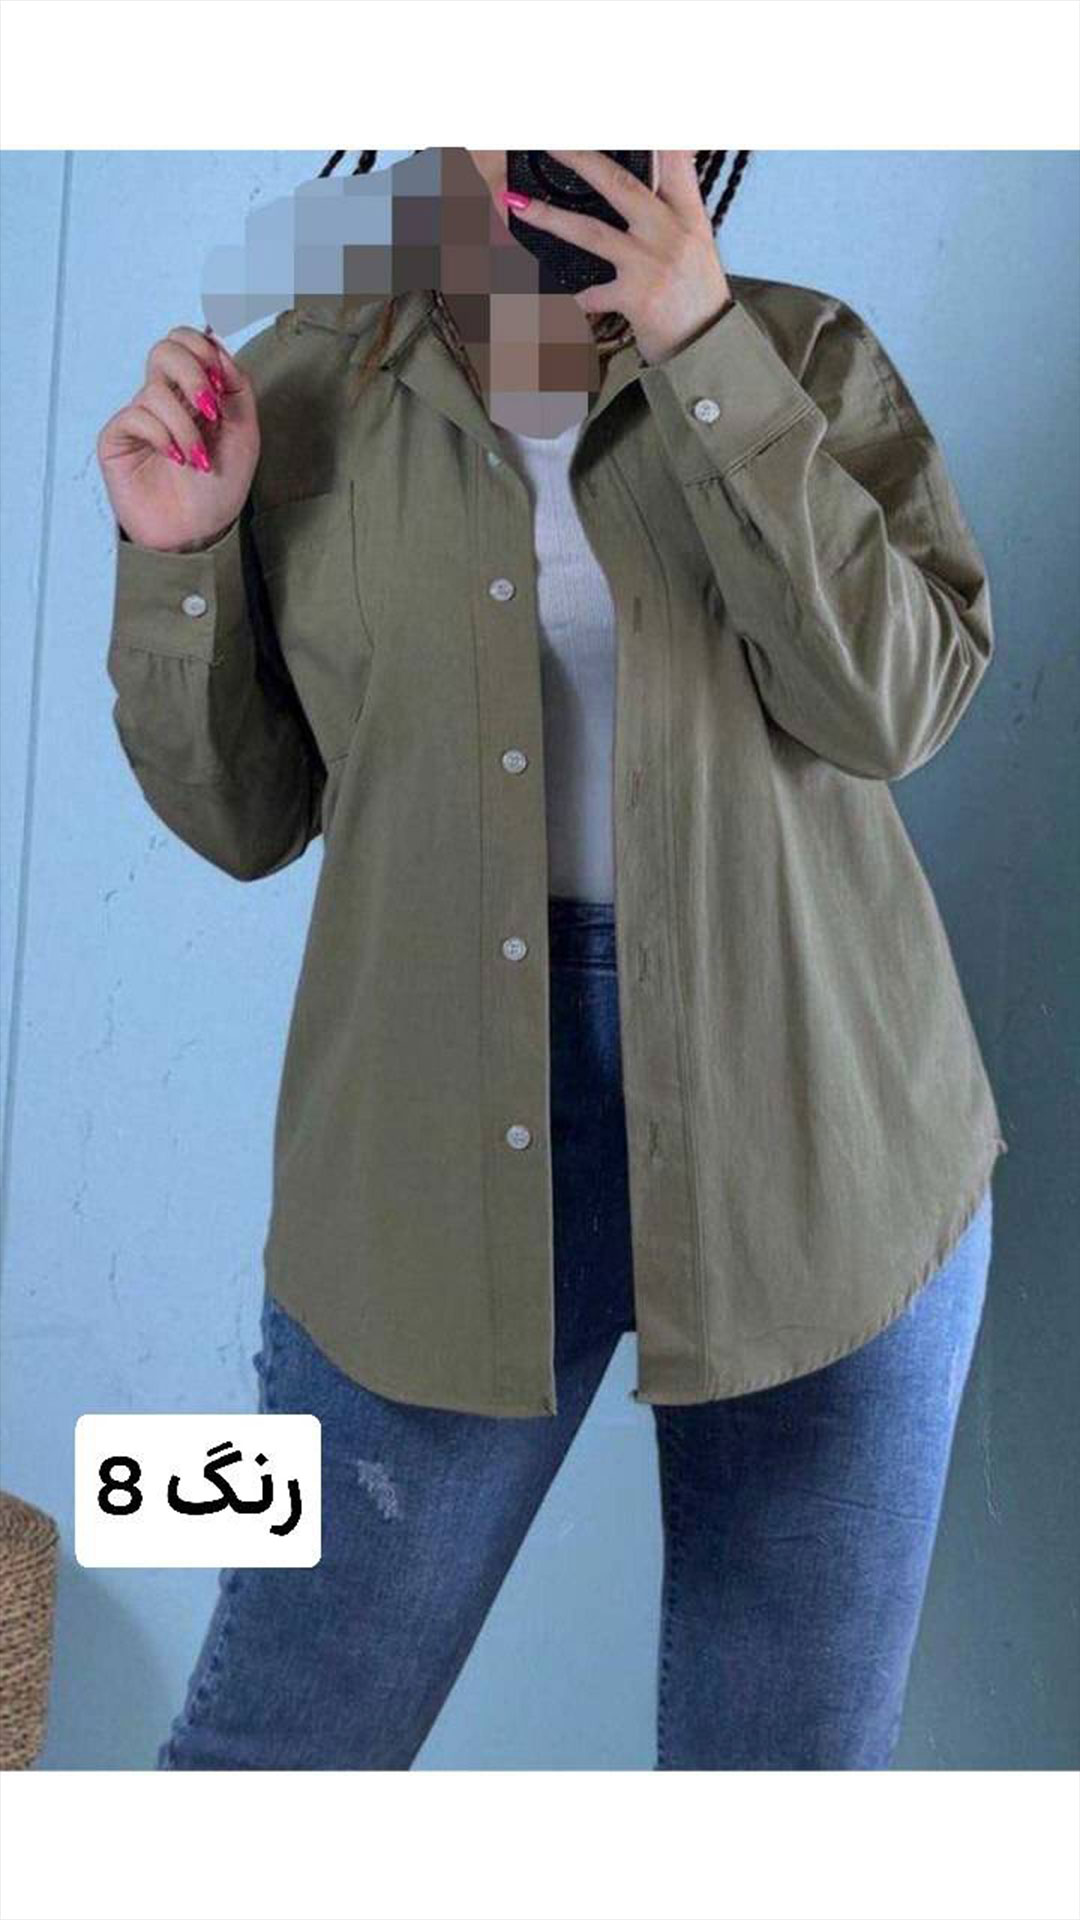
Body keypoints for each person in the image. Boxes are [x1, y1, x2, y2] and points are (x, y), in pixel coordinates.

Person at [97, 148, 1007, 1769]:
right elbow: (244, 818)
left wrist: (706, 348)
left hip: (825, 1144)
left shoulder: (801, 353)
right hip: (430, 1162)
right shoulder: (293, 385)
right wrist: (181, 557)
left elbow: (899, 705)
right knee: (272, 1770)